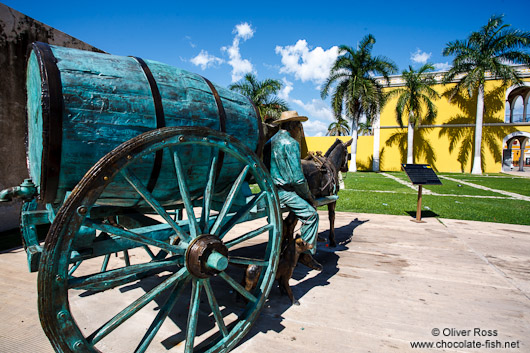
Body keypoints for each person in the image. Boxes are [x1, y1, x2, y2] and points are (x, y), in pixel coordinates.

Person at [264, 111, 322, 271]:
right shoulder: (291, 143)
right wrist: (308, 196)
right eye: (298, 125)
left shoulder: (269, 142)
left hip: (269, 190)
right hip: (284, 193)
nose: (299, 129)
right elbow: (297, 179)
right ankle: (305, 252)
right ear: (292, 126)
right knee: (312, 216)